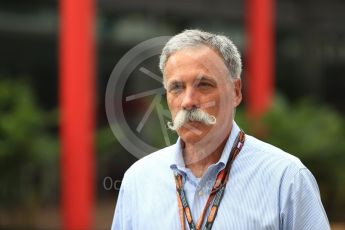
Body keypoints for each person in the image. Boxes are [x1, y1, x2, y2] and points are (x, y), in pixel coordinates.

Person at [111, 29, 330, 230]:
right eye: (176, 87)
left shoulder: (287, 179)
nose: (188, 101)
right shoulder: (138, 180)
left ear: (235, 92)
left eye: (204, 85)